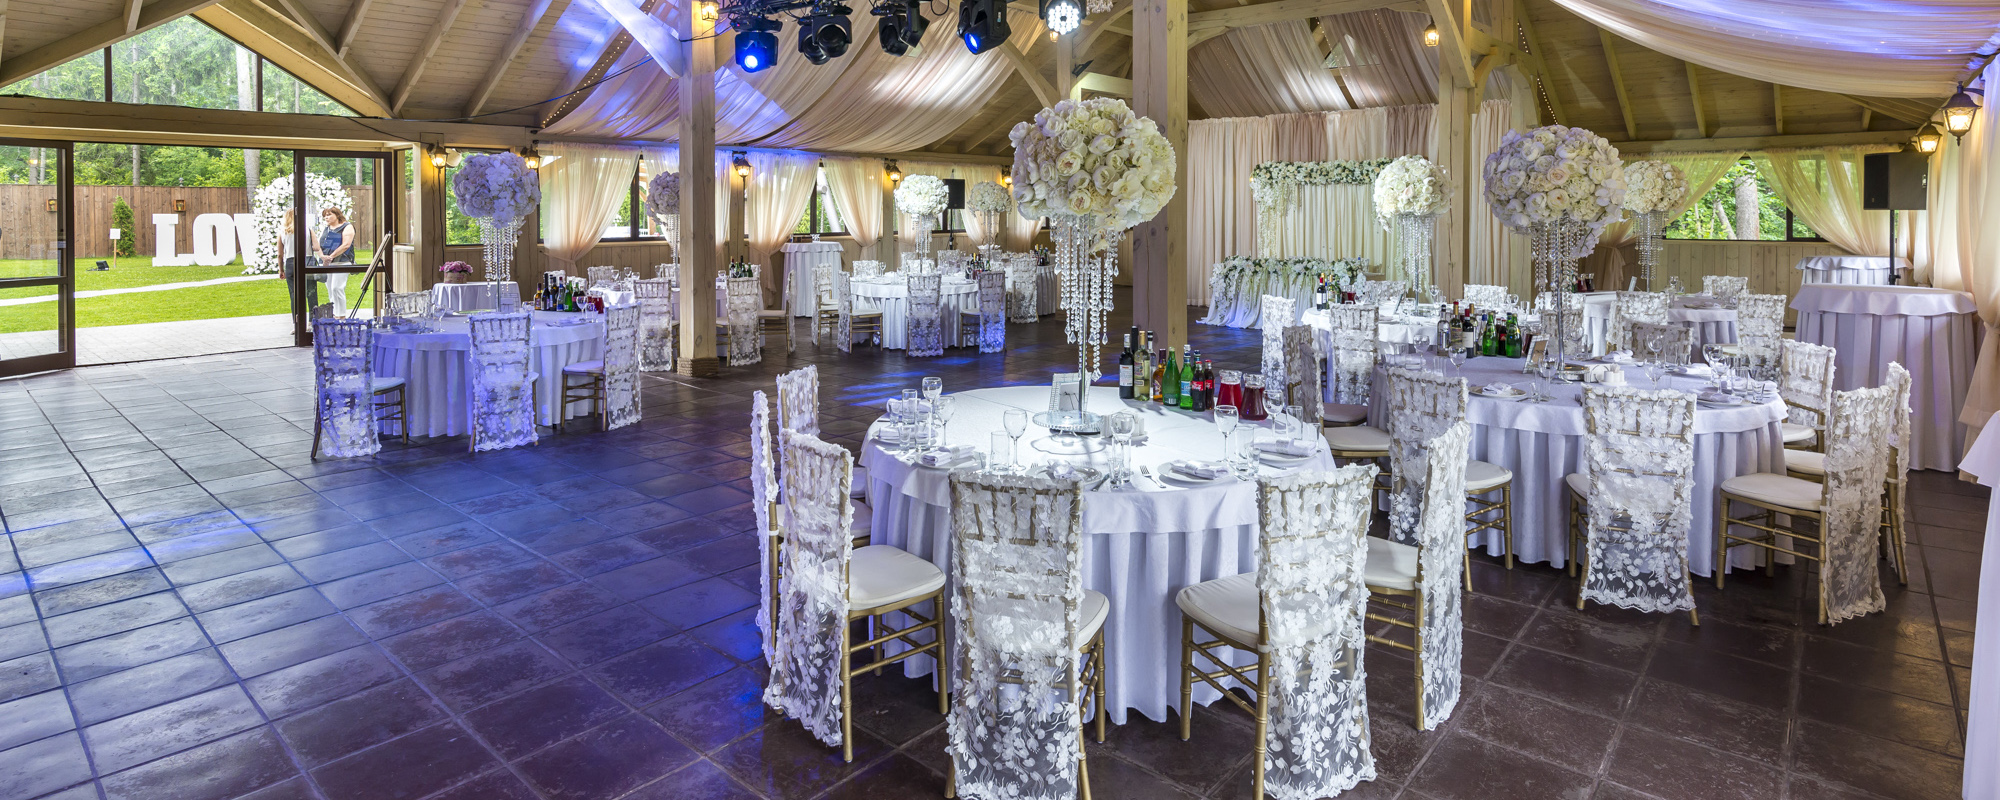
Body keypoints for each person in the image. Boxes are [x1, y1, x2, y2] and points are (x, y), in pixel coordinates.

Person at [318, 207, 355, 315]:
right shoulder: (326, 229)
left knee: (337, 288)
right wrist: (322, 257)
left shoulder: (347, 227)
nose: (326, 217)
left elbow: (346, 245)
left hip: (342, 262)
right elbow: (319, 245)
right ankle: (334, 314)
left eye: (329, 215)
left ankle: (341, 315)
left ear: (337, 215)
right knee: (330, 289)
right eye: (325, 216)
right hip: (327, 263)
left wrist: (331, 256)